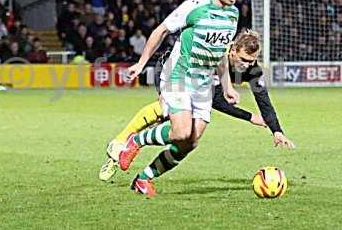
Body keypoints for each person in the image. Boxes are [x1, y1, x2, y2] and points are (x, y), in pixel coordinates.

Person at [114, 0, 244, 197]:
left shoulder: (233, 15)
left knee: (190, 142)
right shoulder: (194, 7)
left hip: (204, 83)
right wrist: (142, 63)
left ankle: (143, 179)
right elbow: (161, 30)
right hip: (179, 76)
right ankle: (136, 140)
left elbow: (221, 53)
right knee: (181, 132)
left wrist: (227, 86)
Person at [99, 31, 295, 183]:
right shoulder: (214, 59)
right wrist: (249, 117)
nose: (247, 64)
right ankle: (120, 144)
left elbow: (264, 100)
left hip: (195, 86)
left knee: (188, 135)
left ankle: (141, 173)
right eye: (243, 59)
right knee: (166, 110)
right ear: (232, 50)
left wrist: (276, 130)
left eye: (252, 60)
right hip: (174, 67)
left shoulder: (252, 69)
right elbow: (216, 99)